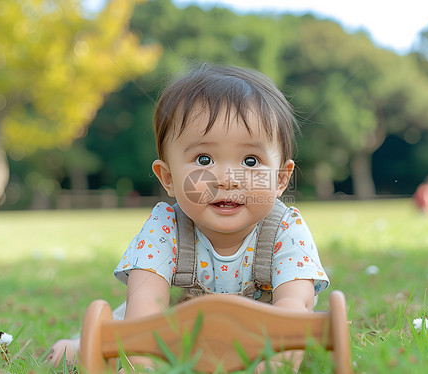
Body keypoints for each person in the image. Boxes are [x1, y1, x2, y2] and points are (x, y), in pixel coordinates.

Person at [48, 63, 329, 372]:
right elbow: (145, 310)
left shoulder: (286, 229)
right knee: (104, 346)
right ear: (168, 177)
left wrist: (272, 365)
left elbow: (293, 310)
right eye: (203, 159)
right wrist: (145, 365)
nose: (226, 179)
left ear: (280, 178)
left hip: (258, 337)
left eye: (250, 160)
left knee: (310, 342)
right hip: (169, 334)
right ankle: (77, 347)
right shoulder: (165, 227)